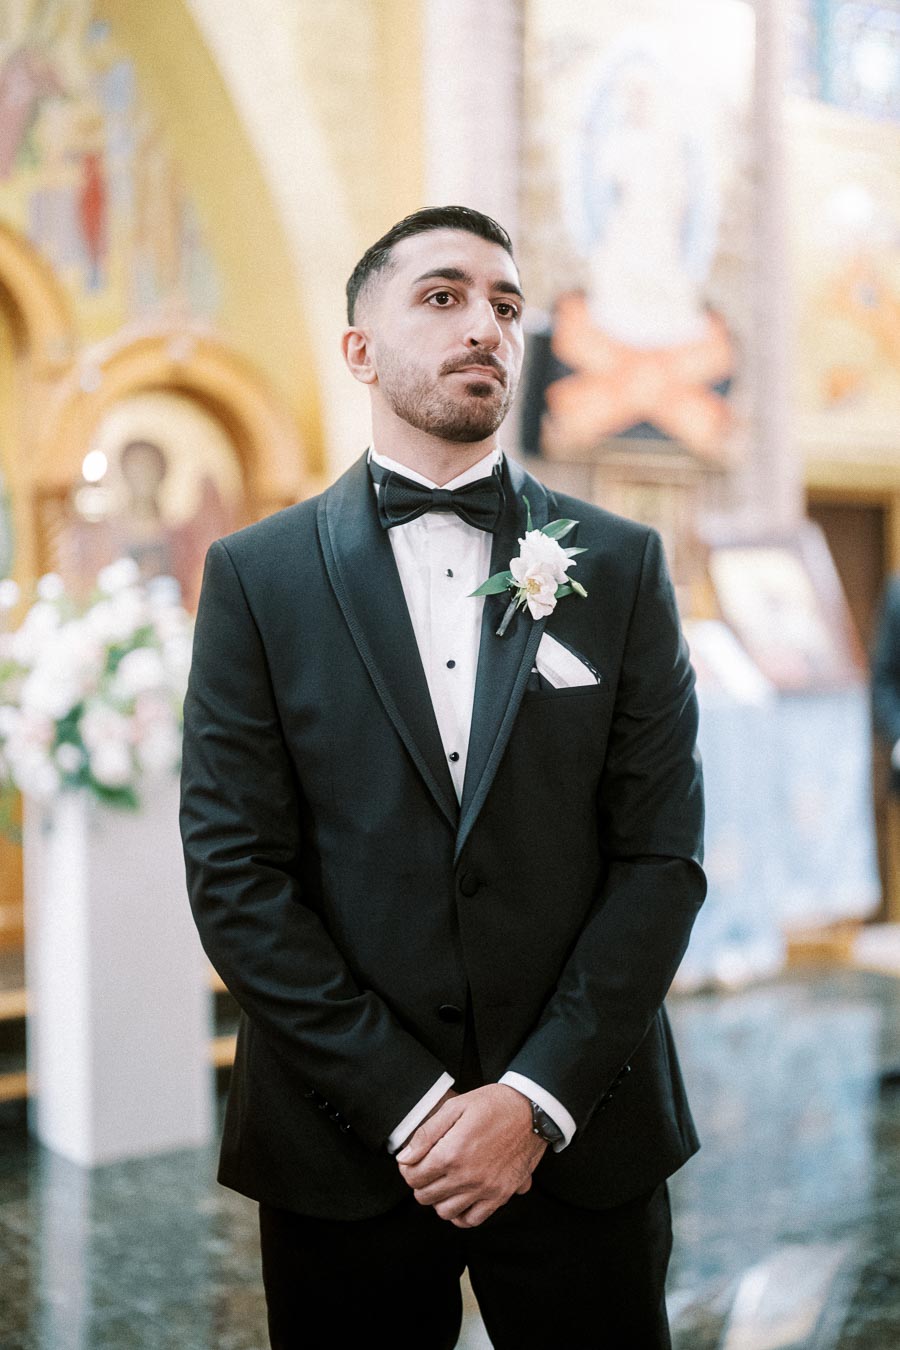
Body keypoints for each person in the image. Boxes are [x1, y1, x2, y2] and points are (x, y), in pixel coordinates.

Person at [179, 205, 706, 1349]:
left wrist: (533, 1102)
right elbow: (236, 876)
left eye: (506, 306)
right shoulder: (255, 578)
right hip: (343, 1143)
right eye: (444, 297)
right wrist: (417, 1109)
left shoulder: (617, 566)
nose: (486, 327)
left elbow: (662, 859)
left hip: (583, 1133)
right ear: (359, 349)